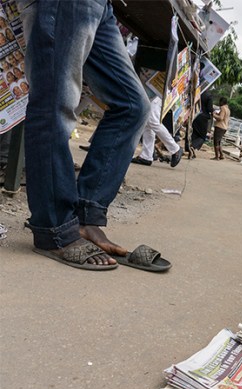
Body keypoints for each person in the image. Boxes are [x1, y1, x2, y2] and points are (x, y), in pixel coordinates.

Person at [18, 0, 150, 269]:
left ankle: (86, 218)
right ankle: (54, 229)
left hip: (101, 5)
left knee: (134, 106)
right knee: (54, 103)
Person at [131, 96, 183, 167]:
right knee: (148, 121)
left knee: (152, 120)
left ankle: (175, 148)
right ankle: (146, 156)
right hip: (154, 93)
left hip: (158, 93)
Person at [189, 91, 213, 157]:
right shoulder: (209, 95)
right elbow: (209, 108)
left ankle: (191, 153)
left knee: (195, 133)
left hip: (195, 115)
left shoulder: (197, 92)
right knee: (202, 136)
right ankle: (193, 147)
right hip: (203, 117)